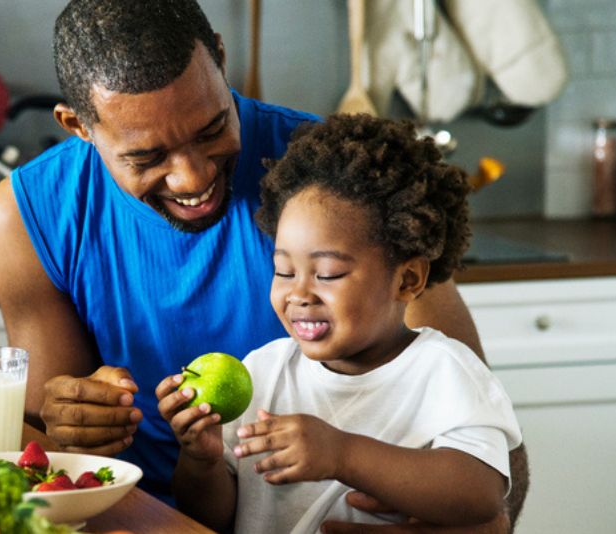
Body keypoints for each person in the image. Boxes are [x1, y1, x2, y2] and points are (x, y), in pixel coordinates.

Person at [0, 0, 529, 530]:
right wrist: (78, 419)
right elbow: (47, 447)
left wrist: (489, 526)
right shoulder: (28, 215)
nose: (193, 179)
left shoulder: (338, 184)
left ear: (220, 58)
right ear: (77, 124)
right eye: (147, 157)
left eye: (211, 128)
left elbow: (488, 451)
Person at [156, 114, 523, 533]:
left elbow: (480, 495)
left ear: (407, 280)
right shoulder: (263, 371)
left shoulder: (444, 371)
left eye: (327, 274)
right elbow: (211, 518)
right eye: (283, 271)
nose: (299, 294)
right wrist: (200, 461)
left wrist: (341, 454)